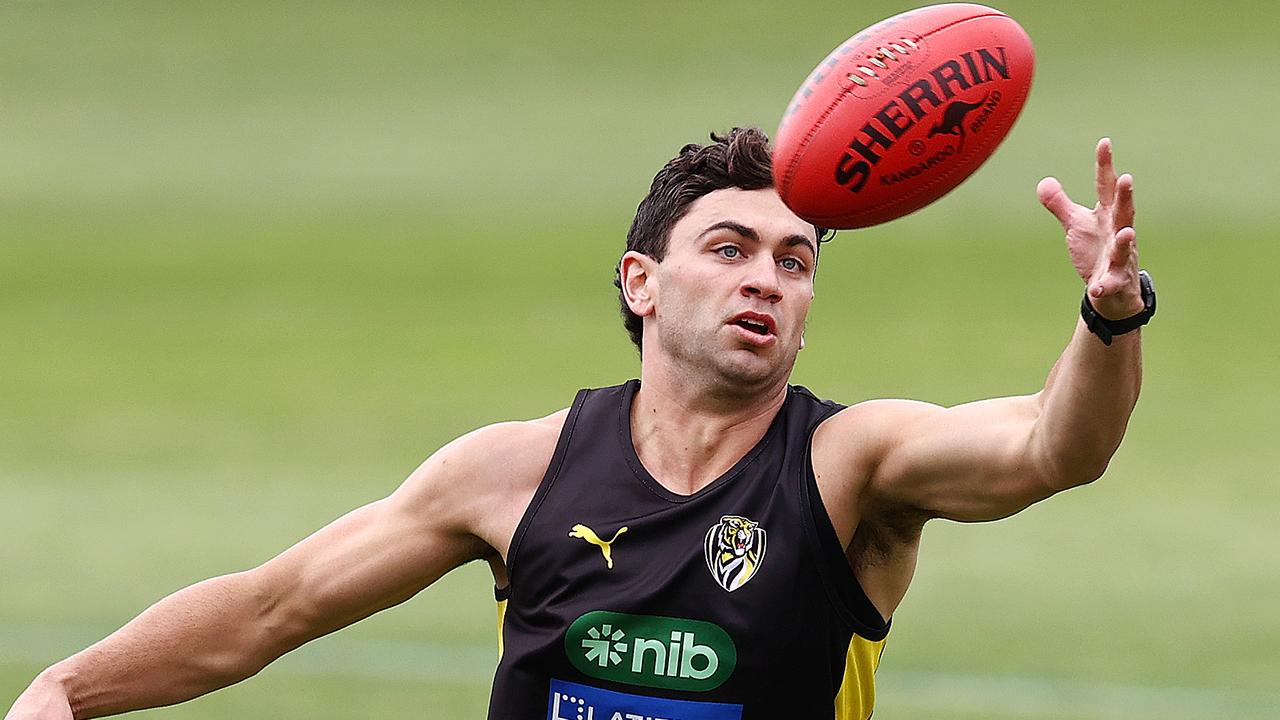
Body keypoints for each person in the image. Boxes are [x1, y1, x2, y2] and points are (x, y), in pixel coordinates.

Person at [5, 127, 1151, 720]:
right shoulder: (513, 472)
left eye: (794, 262)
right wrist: (69, 689)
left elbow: (1054, 447)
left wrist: (1107, 318)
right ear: (641, 283)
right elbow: (270, 607)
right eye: (729, 249)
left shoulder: (850, 463)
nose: (767, 279)